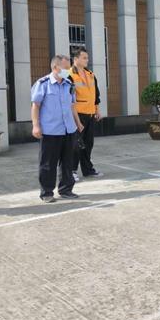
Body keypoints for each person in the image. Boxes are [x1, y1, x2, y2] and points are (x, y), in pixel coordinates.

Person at [31, 55, 84, 203]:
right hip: (50, 131)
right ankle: (47, 192)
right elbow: (36, 106)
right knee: (48, 163)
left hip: (68, 130)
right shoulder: (43, 84)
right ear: (55, 67)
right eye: (66, 68)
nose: (68, 71)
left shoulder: (69, 84)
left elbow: (72, 106)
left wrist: (78, 123)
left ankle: (66, 189)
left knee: (68, 162)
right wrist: (36, 125)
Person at [69, 47, 103, 179]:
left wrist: (97, 110)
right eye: (84, 58)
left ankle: (88, 170)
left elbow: (96, 95)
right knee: (76, 144)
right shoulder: (67, 74)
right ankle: (71, 171)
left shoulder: (91, 75)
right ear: (75, 59)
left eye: (87, 58)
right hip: (76, 115)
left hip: (90, 114)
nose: (87, 60)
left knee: (88, 143)